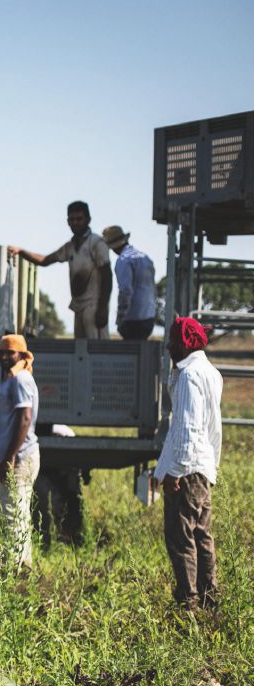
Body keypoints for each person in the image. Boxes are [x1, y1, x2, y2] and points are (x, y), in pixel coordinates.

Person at [152, 317, 223, 611]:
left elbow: (187, 427)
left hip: (187, 468)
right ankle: (210, 600)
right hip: (201, 466)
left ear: (185, 343)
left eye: (173, 341)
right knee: (201, 535)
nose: (169, 347)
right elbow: (212, 428)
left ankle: (189, 604)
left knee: (181, 538)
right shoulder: (210, 372)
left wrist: (174, 471)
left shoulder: (190, 375)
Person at [9, 200, 112, 339]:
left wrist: (103, 308)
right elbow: (45, 260)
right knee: (80, 351)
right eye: (72, 219)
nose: (75, 223)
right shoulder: (70, 246)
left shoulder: (97, 243)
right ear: (68, 221)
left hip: (94, 305)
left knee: (96, 351)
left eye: (79, 219)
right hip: (78, 305)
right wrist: (21, 251)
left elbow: (107, 276)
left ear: (88, 220)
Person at [0, 333, 40, 570]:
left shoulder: (20, 380)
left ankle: (14, 569)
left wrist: (9, 457)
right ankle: (24, 566)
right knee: (19, 512)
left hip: (19, 458)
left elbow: (25, 418)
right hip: (17, 456)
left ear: (21, 354)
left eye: (9, 352)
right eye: (1, 352)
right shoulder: (14, 379)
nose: (4, 356)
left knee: (13, 513)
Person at [101, 225, 156, 340]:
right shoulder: (146, 258)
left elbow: (125, 291)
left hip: (133, 319)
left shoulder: (123, 260)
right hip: (149, 316)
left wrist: (120, 317)